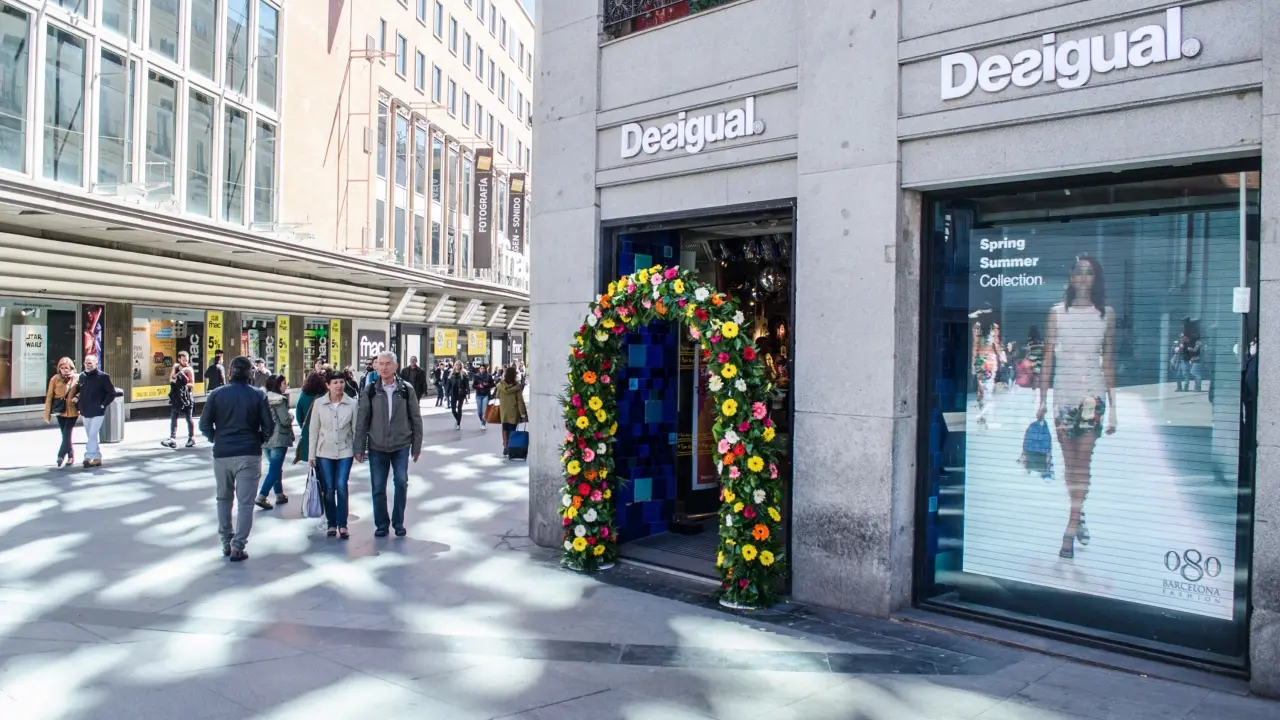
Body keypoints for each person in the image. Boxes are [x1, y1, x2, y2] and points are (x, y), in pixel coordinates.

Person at [1037, 255, 1117, 561]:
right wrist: (1042, 399)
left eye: (1089, 272)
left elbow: (1107, 360)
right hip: (1064, 396)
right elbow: (1048, 357)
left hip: (1091, 397)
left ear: (1096, 278)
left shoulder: (1106, 314)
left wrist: (1114, 407)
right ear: (1071, 277)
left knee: (1083, 461)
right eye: (1079, 272)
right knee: (1070, 465)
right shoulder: (1057, 313)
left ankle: (1070, 528)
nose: (1083, 277)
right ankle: (1078, 511)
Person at [200, 356, 275, 562]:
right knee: (245, 503)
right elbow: (269, 427)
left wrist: (215, 438)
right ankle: (238, 546)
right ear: (250, 373)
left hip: (222, 452)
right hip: (249, 452)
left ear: (230, 372)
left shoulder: (216, 394)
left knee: (223, 499)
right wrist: (258, 440)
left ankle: (226, 540)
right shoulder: (258, 395)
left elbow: (204, 425)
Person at [354, 351, 423, 538]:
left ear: (395, 366)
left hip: (401, 444)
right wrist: (359, 447)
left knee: (401, 482)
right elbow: (362, 420)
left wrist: (416, 446)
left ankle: (398, 522)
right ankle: (382, 524)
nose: (383, 367)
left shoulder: (406, 389)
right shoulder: (370, 390)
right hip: (377, 446)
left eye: (387, 364)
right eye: (380, 363)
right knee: (378, 487)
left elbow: (416, 419)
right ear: (376, 366)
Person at [311, 369, 358, 539]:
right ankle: (331, 523)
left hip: (345, 450)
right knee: (329, 488)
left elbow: (356, 429)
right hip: (325, 451)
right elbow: (314, 430)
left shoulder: (352, 404)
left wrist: (358, 450)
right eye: (335, 382)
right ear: (328, 385)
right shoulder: (319, 404)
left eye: (341, 382)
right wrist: (311, 455)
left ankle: (343, 524)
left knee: (341, 485)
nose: (339, 385)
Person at [256, 374, 295, 509]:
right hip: (279, 437)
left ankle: (279, 494)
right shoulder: (280, 400)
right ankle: (262, 496)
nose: (286, 386)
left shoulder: (262, 398)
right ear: (277, 385)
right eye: (284, 383)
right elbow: (285, 420)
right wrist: (291, 416)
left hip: (265, 437)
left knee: (275, 467)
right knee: (275, 469)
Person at [72, 354, 116, 468]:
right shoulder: (82, 376)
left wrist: (103, 404)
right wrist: (77, 400)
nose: (87, 365)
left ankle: (88, 456)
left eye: (90, 363)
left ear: (96, 364)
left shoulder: (103, 377)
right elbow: (80, 391)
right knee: (91, 435)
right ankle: (97, 457)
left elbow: (111, 393)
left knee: (92, 434)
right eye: (86, 363)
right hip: (85, 410)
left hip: (98, 411)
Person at [43, 357, 79, 468]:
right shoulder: (55, 379)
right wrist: (47, 414)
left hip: (72, 410)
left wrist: (77, 396)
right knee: (64, 434)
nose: (64, 370)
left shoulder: (77, 378)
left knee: (67, 433)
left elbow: (83, 391)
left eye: (66, 368)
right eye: (62, 368)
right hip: (60, 410)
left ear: (71, 368)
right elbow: (50, 396)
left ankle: (60, 456)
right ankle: (71, 455)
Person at [162, 351, 197, 449]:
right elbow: (171, 379)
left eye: (187, 360)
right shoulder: (176, 366)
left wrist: (184, 384)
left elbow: (192, 384)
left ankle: (191, 438)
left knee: (189, 418)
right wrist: (178, 374)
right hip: (177, 396)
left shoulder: (189, 369)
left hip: (187, 397)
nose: (185, 362)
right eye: (183, 360)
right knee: (174, 416)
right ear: (179, 359)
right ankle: (172, 438)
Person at [292, 371, 327, 467]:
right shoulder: (325, 396)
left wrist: (303, 426)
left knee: (312, 458)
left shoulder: (303, 395)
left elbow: (298, 414)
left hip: (307, 430)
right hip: (323, 430)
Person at [496, 366, 527, 457]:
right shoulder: (517, 386)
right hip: (513, 411)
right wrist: (523, 413)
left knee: (504, 428)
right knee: (512, 429)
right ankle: (510, 446)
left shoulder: (500, 385)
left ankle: (505, 445)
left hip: (503, 410)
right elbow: (520, 401)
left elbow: (497, 396)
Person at [446, 360, 470, 430]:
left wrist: (468, 393)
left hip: (461, 393)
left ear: (461, 366)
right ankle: (458, 419)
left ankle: (458, 424)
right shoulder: (451, 374)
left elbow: (467, 384)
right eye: (456, 365)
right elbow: (448, 385)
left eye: (459, 365)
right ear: (454, 366)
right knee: (453, 410)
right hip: (453, 393)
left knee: (459, 408)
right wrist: (446, 394)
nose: (457, 366)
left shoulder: (463, 374)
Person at [473, 364, 495, 428]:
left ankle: (483, 424)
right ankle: (482, 420)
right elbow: (473, 386)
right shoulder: (476, 376)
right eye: (481, 368)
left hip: (486, 394)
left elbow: (493, 384)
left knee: (484, 411)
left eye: (483, 368)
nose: (482, 370)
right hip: (478, 395)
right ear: (479, 369)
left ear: (485, 369)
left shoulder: (489, 376)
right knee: (479, 412)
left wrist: (487, 384)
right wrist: (478, 386)